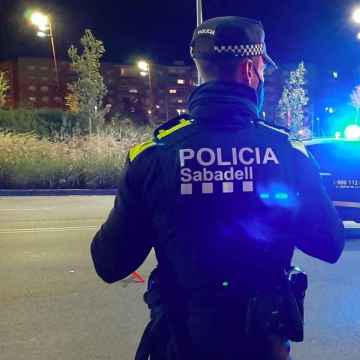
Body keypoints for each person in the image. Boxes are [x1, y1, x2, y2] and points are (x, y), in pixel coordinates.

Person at [90, 16, 345, 360]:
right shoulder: (288, 153)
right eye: (261, 72)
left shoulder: (154, 156)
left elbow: (109, 263)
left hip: (182, 343)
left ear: (199, 69)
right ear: (251, 69)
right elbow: (329, 245)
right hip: (261, 344)